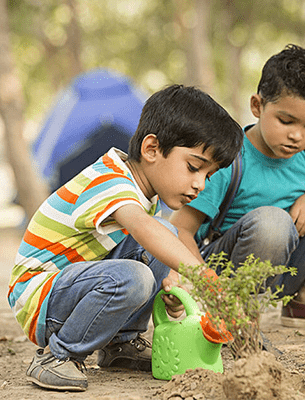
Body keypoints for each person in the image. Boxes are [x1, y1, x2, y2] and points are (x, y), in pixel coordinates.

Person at [7, 84, 243, 392]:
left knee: (164, 236)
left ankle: (122, 344)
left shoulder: (144, 192)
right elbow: (144, 229)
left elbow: (152, 238)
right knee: (136, 273)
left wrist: (171, 282)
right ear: (151, 149)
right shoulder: (109, 180)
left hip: (72, 287)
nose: (200, 184)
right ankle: (57, 356)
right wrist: (203, 276)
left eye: (207, 175)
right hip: (39, 298)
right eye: (193, 167)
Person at [170, 44, 305, 328]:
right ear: (257, 106)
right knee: (273, 221)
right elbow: (181, 228)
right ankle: (243, 313)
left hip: (291, 266)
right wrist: (205, 284)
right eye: (286, 121)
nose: (297, 135)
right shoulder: (229, 159)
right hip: (232, 269)